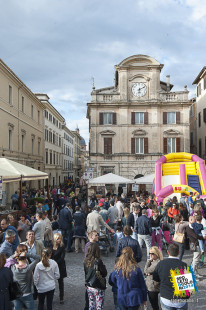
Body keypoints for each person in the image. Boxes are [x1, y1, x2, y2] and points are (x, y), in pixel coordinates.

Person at [153, 243, 190, 310]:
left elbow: (155, 278)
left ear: (168, 252)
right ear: (178, 252)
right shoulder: (184, 266)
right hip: (180, 301)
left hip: (166, 299)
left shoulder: (161, 264)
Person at [84, 243, 107, 310]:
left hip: (90, 286)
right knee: (99, 305)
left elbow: (86, 273)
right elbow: (104, 273)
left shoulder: (85, 261)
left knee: (91, 304)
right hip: (98, 286)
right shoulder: (98, 261)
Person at [51, 233, 67, 304]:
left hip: (60, 266)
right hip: (51, 267)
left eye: (60, 238)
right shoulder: (50, 246)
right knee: (51, 282)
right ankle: (50, 296)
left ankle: (61, 297)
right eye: (58, 239)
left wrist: (54, 263)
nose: (59, 240)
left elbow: (62, 258)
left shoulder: (62, 247)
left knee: (61, 282)